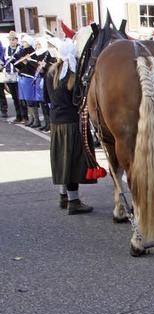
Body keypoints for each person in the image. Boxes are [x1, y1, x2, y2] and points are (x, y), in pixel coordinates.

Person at [46, 40, 93, 214]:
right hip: (72, 123)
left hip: (56, 123)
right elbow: (80, 101)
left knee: (61, 160)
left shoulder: (51, 72)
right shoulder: (73, 76)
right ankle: (74, 202)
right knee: (72, 163)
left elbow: (46, 97)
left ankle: (63, 196)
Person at [3, 32, 25, 123]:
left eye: (13, 39)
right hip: (9, 75)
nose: (12, 41)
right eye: (10, 40)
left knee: (21, 96)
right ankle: (18, 115)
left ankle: (25, 116)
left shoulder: (20, 49)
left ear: (16, 40)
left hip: (19, 75)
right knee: (14, 97)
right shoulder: (6, 49)